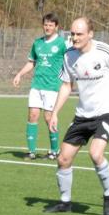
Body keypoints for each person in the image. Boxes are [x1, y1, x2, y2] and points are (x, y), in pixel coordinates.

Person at [46, 17, 109, 215]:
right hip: (82, 115)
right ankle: (65, 203)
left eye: (79, 34)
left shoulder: (105, 52)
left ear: (90, 34)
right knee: (63, 158)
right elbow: (66, 85)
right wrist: (54, 113)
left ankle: (108, 196)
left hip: (107, 111)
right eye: (72, 34)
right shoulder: (69, 56)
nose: (75, 37)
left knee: (95, 154)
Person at [12, 13, 68, 160]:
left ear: (56, 27)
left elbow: (70, 61)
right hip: (36, 85)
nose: (47, 27)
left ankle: (54, 151)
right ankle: (31, 151)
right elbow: (31, 62)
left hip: (52, 86)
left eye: (50, 25)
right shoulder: (37, 43)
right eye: (45, 24)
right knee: (33, 115)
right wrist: (19, 74)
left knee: (49, 118)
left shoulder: (62, 44)